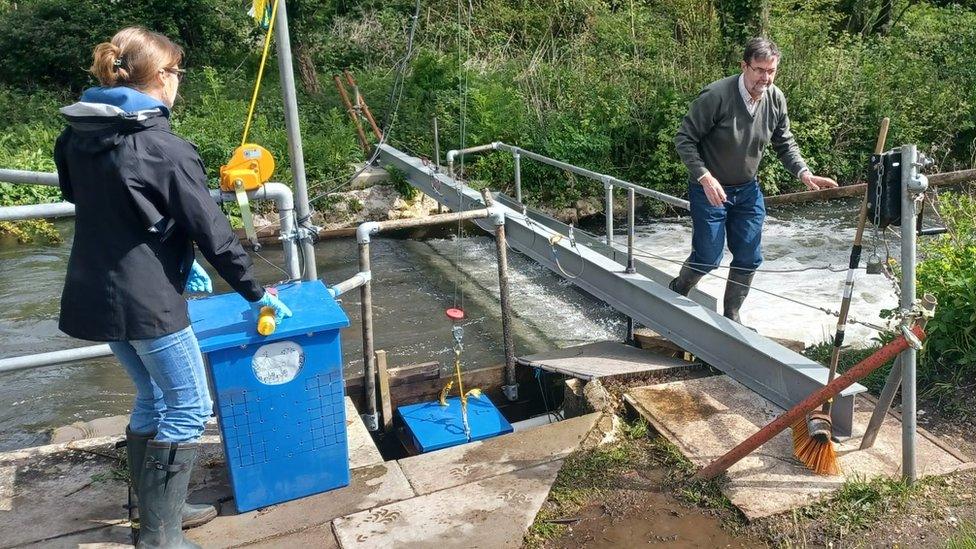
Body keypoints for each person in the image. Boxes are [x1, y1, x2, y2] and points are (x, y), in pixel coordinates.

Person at [53, 27, 292, 548]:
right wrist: (256, 292)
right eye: (177, 73)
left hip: (96, 292)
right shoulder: (164, 147)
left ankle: (160, 513)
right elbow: (215, 232)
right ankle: (161, 538)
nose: (178, 82)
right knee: (188, 408)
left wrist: (171, 248)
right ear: (161, 77)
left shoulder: (76, 135)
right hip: (149, 303)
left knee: (152, 397)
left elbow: (88, 199)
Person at [672, 37, 837, 323]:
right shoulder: (716, 96)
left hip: (747, 191)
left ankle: (731, 316)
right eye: (759, 70)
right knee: (708, 257)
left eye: (771, 71)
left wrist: (804, 173)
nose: (765, 77)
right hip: (710, 188)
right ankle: (677, 291)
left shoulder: (775, 98)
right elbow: (684, 139)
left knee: (749, 257)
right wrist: (704, 177)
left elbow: (784, 142)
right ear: (744, 66)